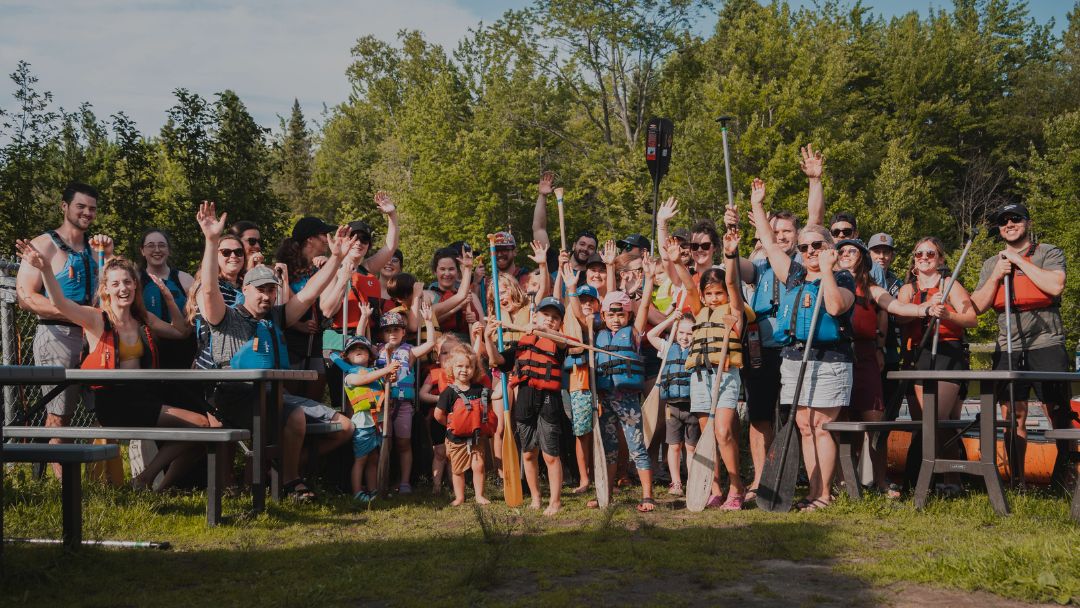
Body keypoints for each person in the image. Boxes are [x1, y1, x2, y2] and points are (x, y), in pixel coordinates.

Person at [750, 178, 928, 511]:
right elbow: (770, 245)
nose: (809, 253)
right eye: (805, 249)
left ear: (829, 249)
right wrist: (758, 205)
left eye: (816, 247)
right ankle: (812, 490)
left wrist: (829, 271)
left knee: (821, 425)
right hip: (794, 358)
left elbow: (834, 307)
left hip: (830, 360)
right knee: (803, 425)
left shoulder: (844, 277)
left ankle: (823, 494)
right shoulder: (794, 275)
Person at [15, 243, 210, 491]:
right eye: (116, 284)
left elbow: (181, 331)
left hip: (145, 397)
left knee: (202, 433)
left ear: (135, 285)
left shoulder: (142, 318)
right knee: (202, 426)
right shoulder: (97, 318)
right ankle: (146, 480)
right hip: (115, 401)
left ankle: (154, 486)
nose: (123, 288)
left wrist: (169, 299)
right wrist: (45, 270)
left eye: (127, 282)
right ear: (105, 289)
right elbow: (62, 304)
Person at [196, 201, 355, 501]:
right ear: (245, 289)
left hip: (272, 395)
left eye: (271, 290)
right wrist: (211, 240)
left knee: (344, 427)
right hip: (234, 396)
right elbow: (208, 290)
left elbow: (310, 293)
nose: (267, 295)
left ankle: (277, 471)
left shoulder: (276, 317)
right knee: (294, 418)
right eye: (260, 290)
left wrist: (336, 259)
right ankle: (290, 481)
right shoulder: (225, 317)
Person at [724, 145, 825, 501]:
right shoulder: (759, 262)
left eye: (786, 232)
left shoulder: (802, 261)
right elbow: (736, 275)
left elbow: (816, 222)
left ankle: (795, 477)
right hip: (761, 348)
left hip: (796, 347)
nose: (780, 236)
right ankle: (759, 481)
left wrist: (815, 181)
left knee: (798, 417)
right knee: (759, 416)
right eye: (774, 231)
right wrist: (731, 249)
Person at [14, 182, 111, 476]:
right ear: (64, 207)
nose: (87, 213)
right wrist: (73, 314)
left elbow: (105, 292)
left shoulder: (95, 248)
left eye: (92, 208)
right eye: (81, 206)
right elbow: (26, 297)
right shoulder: (43, 245)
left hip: (94, 339)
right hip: (57, 335)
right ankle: (61, 486)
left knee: (105, 407)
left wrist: (108, 254)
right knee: (59, 414)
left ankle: (91, 477)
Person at [970, 202, 1069, 486]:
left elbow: (1055, 286)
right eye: (1003, 221)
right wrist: (997, 274)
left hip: (1046, 343)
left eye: (1015, 219)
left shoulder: (1048, 252)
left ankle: (1064, 478)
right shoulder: (992, 262)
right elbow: (977, 306)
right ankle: (1016, 480)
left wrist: (1018, 261)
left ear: (1028, 222)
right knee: (1013, 414)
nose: (1009, 224)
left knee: (1057, 411)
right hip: (1008, 345)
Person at [667, 231, 751, 510]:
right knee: (707, 435)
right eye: (710, 294)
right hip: (700, 377)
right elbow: (689, 287)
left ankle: (736, 487)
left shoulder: (735, 309)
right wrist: (677, 261)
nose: (714, 299)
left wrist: (729, 255)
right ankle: (715, 488)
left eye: (719, 294)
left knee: (724, 431)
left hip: (725, 375)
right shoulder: (699, 308)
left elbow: (732, 283)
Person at [896, 236, 978, 495]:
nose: (924, 258)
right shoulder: (908, 290)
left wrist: (948, 314)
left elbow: (972, 318)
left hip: (946, 354)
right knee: (925, 423)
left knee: (938, 420)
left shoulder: (950, 285)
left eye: (930, 254)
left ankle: (950, 481)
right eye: (919, 254)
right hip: (917, 355)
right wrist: (923, 307)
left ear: (940, 259)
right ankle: (930, 480)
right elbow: (898, 316)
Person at [485, 296, 567, 515]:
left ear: (560, 323)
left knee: (550, 455)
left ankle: (556, 502)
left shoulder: (560, 343)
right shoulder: (522, 344)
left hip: (549, 400)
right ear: (535, 315)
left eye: (555, 318)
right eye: (545, 315)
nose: (550, 320)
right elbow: (496, 361)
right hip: (525, 400)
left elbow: (561, 341)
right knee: (529, 453)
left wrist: (541, 329)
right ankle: (536, 498)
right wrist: (487, 338)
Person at [375, 307, 437, 495]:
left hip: (403, 406)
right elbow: (360, 337)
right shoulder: (377, 350)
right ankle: (382, 481)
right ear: (383, 334)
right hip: (383, 404)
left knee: (403, 444)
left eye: (396, 330)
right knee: (385, 443)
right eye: (387, 330)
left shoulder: (408, 351)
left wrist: (428, 321)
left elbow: (431, 343)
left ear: (403, 332)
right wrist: (363, 318)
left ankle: (404, 482)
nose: (392, 333)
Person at [276, 215, 338, 400]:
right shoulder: (284, 267)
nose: (328, 239)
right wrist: (297, 325)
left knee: (314, 396)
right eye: (324, 234)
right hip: (291, 342)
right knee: (291, 397)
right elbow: (279, 306)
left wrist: (330, 269)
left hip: (316, 341)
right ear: (310, 238)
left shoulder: (319, 267)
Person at [335, 334, 398, 503]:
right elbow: (362, 380)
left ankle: (373, 490)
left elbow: (386, 384)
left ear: (370, 355)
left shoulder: (375, 372)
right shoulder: (350, 376)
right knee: (361, 459)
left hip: (377, 421)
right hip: (363, 422)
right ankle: (357, 492)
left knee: (374, 458)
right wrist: (386, 369)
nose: (358, 350)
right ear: (346, 357)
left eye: (362, 348)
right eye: (354, 349)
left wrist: (391, 376)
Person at [434, 346, 495, 506]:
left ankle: (479, 495)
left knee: (479, 466)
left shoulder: (480, 389)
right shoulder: (448, 392)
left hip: (476, 438)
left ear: (475, 369)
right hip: (456, 438)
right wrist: (449, 424)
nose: (464, 370)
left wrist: (506, 382)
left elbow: (495, 395)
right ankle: (460, 497)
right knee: (458, 469)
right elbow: (438, 414)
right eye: (459, 366)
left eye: (468, 366)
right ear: (451, 368)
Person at [647, 310, 697, 497]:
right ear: (676, 332)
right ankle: (676, 483)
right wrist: (670, 320)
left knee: (691, 448)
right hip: (672, 406)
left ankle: (692, 481)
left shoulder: (697, 350)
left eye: (689, 333)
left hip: (692, 406)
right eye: (681, 333)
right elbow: (651, 335)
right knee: (674, 446)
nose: (684, 337)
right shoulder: (668, 348)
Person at [138, 228, 196, 369]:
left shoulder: (185, 279)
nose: (157, 250)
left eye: (162, 245)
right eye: (151, 245)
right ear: (142, 251)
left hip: (183, 354)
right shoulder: (135, 280)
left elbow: (197, 321)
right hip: (147, 354)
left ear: (168, 250)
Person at [867, 233, 904, 403]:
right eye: (876, 251)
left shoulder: (899, 284)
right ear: (868, 254)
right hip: (866, 348)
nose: (881, 256)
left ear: (892, 256)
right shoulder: (860, 279)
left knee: (890, 403)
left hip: (890, 351)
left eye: (886, 252)